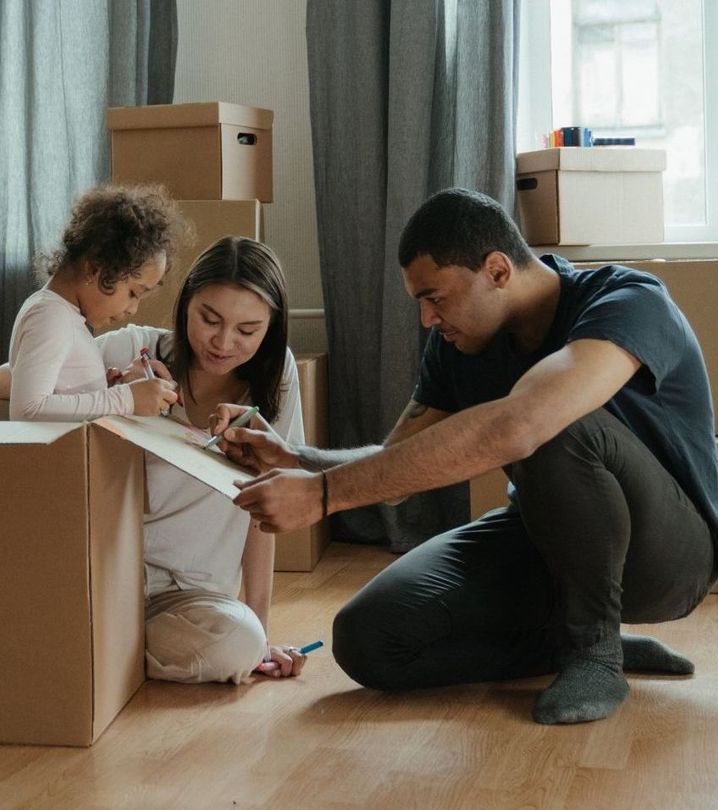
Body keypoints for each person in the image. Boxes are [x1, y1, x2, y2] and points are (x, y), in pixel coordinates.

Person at [214, 188, 718, 724]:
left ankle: (593, 651)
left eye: (436, 298)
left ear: (497, 271)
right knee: (369, 639)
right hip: (547, 540)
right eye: (420, 303)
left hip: (671, 557)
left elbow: (523, 424)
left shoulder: (629, 300)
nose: (428, 320)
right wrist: (297, 459)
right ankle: (568, 644)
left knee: (556, 421)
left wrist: (324, 496)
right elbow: (398, 465)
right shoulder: (458, 343)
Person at [93, 235, 308, 683]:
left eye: (247, 331)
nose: (223, 342)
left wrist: (262, 636)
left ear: (271, 329)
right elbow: (24, 382)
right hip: (104, 580)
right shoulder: (131, 351)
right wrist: (111, 393)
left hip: (190, 599)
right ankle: (99, 647)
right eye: (209, 319)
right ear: (185, 303)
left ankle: (99, 652)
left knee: (239, 644)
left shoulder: (276, 379)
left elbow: (263, 512)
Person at [8, 184, 184, 420]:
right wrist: (125, 399)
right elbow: (27, 410)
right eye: (133, 293)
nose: (133, 309)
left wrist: (108, 389)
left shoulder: (65, 316)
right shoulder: (50, 316)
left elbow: (63, 399)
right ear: (94, 267)